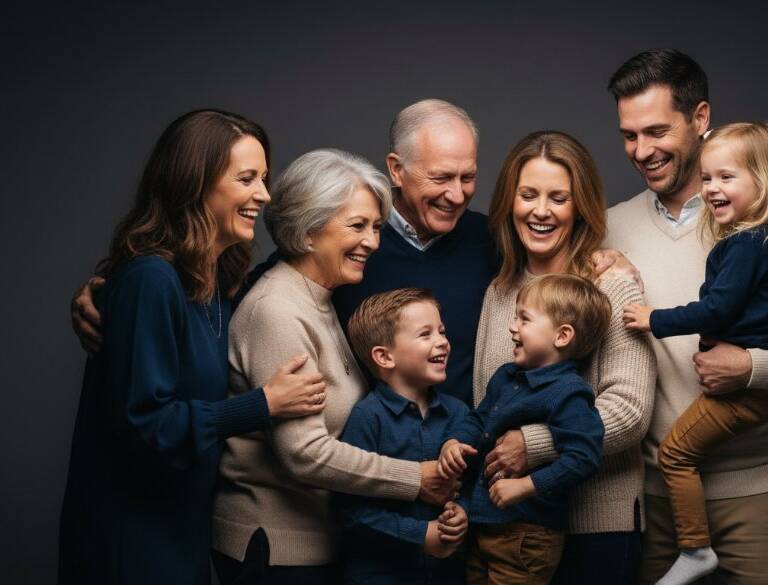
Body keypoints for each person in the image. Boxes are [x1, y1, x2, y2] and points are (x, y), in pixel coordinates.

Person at [602, 49, 768, 583]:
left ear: (700, 119)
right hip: (653, 506)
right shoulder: (608, 228)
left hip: (756, 501)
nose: (642, 150)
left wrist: (751, 365)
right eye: (630, 135)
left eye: (657, 131)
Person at [70, 99, 498, 406]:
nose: (456, 194)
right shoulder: (347, 244)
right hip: (372, 481)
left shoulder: (490, 240)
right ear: (396, 169)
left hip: (467, 468)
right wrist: (112, 296)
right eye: (441, 177)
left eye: (468, 177)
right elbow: (260, 296)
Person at [58, 109, 329, 585]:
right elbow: (147, 425)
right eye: (247, 179)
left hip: (181, 529)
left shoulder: (217, 285)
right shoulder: (150, 280)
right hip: (132, 537)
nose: (263, 196)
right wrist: (261, 405)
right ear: (194, 183)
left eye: (264, 179)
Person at [210, 149, 460, 584]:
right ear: (308, 233)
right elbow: (304, 454)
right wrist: (416, 478)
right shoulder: (278, 311)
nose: (373, 242)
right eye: (357, 226)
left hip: (320, 544)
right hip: (276, 548)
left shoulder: (321, 299)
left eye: (377, 227)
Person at [623, 122, 768, 584]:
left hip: (755, 409)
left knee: (675, 454)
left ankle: (694, 551)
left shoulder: (748, 244)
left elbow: (717, 309)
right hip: (765, 400)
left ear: (764, 184)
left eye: (726, 178)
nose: (711, 189)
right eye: (708, 179)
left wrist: (655, 319)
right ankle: (692, 544)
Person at [473, 131, 657, 584]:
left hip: (597, 524)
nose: (541, 211)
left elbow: (630, 412)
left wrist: (533, 446)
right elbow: (488, 401)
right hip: (511, 525)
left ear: (580, 207)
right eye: (528, 195)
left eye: (559, 198)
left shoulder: (610, 285)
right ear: (508, 202)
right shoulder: (499, 291)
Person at [441, 274, 609, 584]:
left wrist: (526, 485)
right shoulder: (506, 376)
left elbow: (584, 456)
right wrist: (456, 441)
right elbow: (479, 418)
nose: (512, 326)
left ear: (562, 336)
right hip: (484, 525)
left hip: (527, 536)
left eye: (525, 319)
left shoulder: (569, 392)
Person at [337, 288, 470, 585]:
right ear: (385, 357)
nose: (443, 342)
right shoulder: (367, 419)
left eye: (442, 331)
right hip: (379, 574)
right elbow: (352, 512)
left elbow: (474, 483)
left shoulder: (458, 414)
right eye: (425, 334)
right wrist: (421, 534)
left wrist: (463, 513)